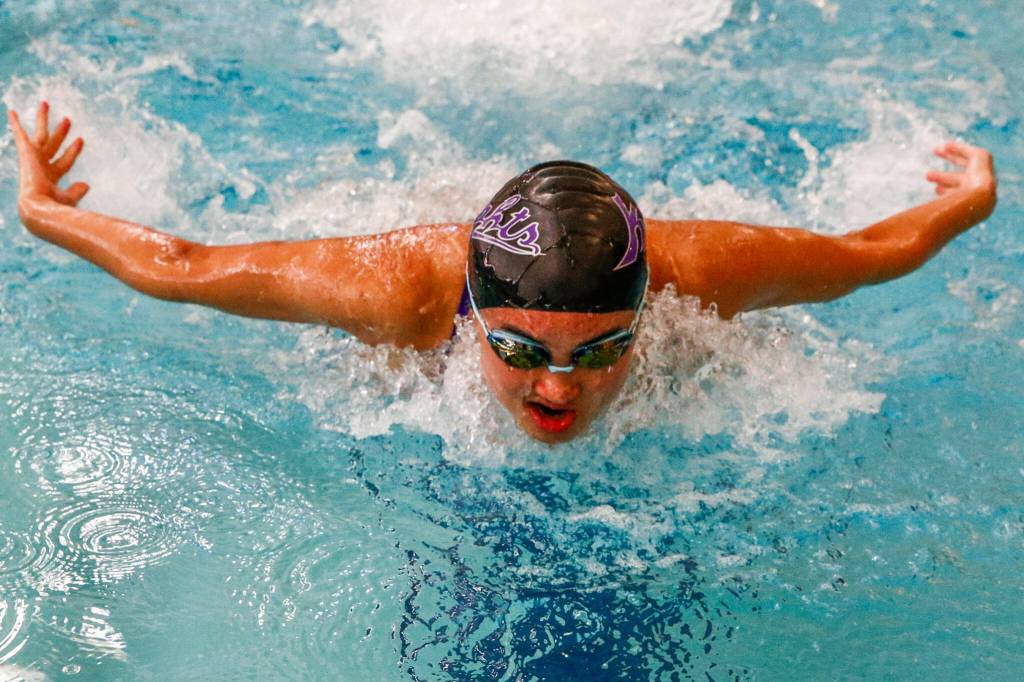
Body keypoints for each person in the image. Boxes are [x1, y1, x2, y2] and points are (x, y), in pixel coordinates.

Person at [8, 103, 998, 443]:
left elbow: (876, 252)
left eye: (603, 349)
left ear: (642, 308)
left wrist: (968, 202)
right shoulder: (398, 289)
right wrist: (43, 210)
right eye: (519, 349)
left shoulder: (695, 273)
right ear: (473, 311)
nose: (558, 387)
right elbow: (181, 266)